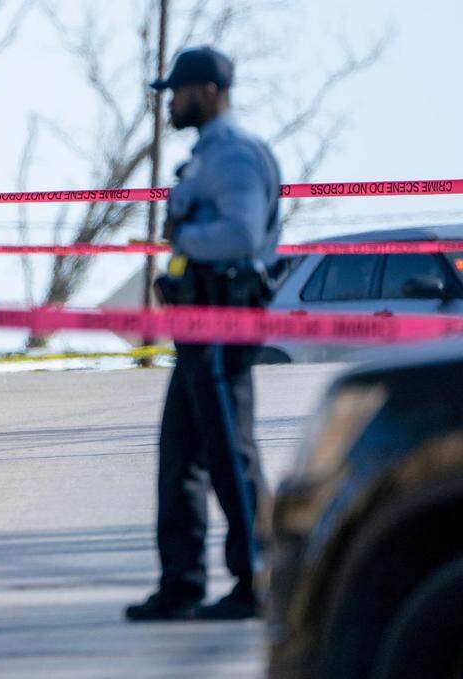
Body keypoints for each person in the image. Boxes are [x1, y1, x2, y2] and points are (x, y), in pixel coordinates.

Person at [125, 46, 281, 622]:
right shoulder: (209, 157)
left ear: (208, 92)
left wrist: (184, 234)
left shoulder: (234, 158)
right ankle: (182, 584)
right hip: (198, 329)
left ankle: (257, 582)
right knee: (182, 458)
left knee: (228, 456)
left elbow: (240, 236)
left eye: (179, 91)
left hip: (222, 324)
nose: (170, 102)